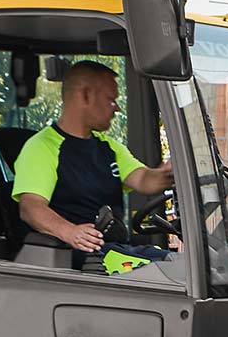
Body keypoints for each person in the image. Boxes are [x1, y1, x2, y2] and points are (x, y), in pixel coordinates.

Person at [12, 60, 174, 272]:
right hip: (76, 258)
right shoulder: (41, 147)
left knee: (181, 264)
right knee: (167, 273)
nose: (117, 108)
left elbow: (144, 180)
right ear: (86, 95)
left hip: (112, 250)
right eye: (110, 100)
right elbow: (30, 208)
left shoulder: (108, 147)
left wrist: (170, 172)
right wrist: (71, 232)